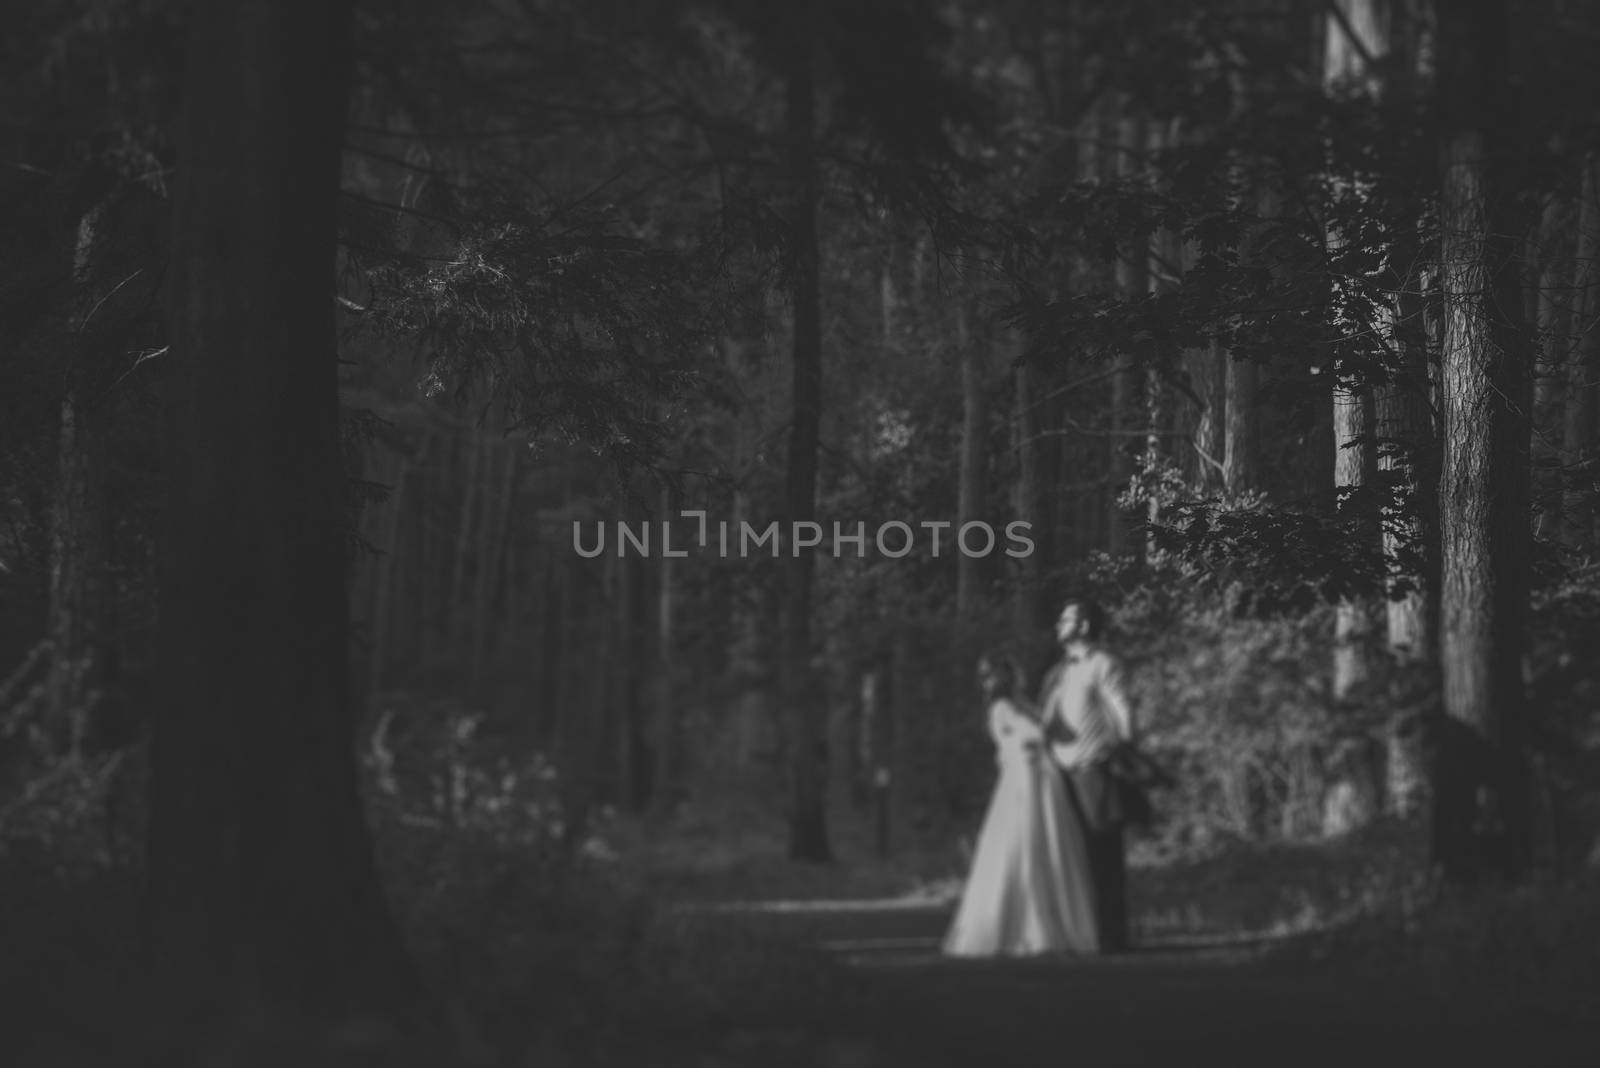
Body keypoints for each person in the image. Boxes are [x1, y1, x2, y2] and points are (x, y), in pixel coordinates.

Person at [942, 652, 1099, 958]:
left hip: (1039, 779)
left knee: (1044, 843)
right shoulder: (1001, 708)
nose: (1000, 681)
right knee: (1022, 844)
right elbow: (1035, 734)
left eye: (1004, 674)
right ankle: (1024, 925)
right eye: (993, 676)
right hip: (1023, 782)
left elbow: (1050, 730)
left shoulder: (1021, 704)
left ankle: (1049, 922)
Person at [1039, 597, 1137, 954]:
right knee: (1069, 858)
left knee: (1103, 857)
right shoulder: (1058, 672)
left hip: (1095, 770)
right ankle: (1079, 934)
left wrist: (1123, 752)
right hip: (1058, 775)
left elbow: (1123, 711)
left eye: (1066, 619)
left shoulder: (1105, 664)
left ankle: (1112, 937)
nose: (1059, 624)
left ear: (1083, 625)